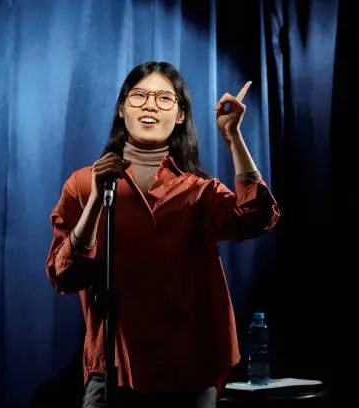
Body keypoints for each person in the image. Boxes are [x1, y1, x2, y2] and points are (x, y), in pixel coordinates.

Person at [45, 61, 280, 408]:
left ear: (181, 115)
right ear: (121, 109)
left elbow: (257, 216)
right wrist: (97, 199)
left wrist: (234, 138)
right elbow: (64, 276)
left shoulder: (197, 191)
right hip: (114, 371)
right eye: (139, 95)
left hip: (188, 370)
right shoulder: (83, 184)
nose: (151, 105)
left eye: (164, 98)